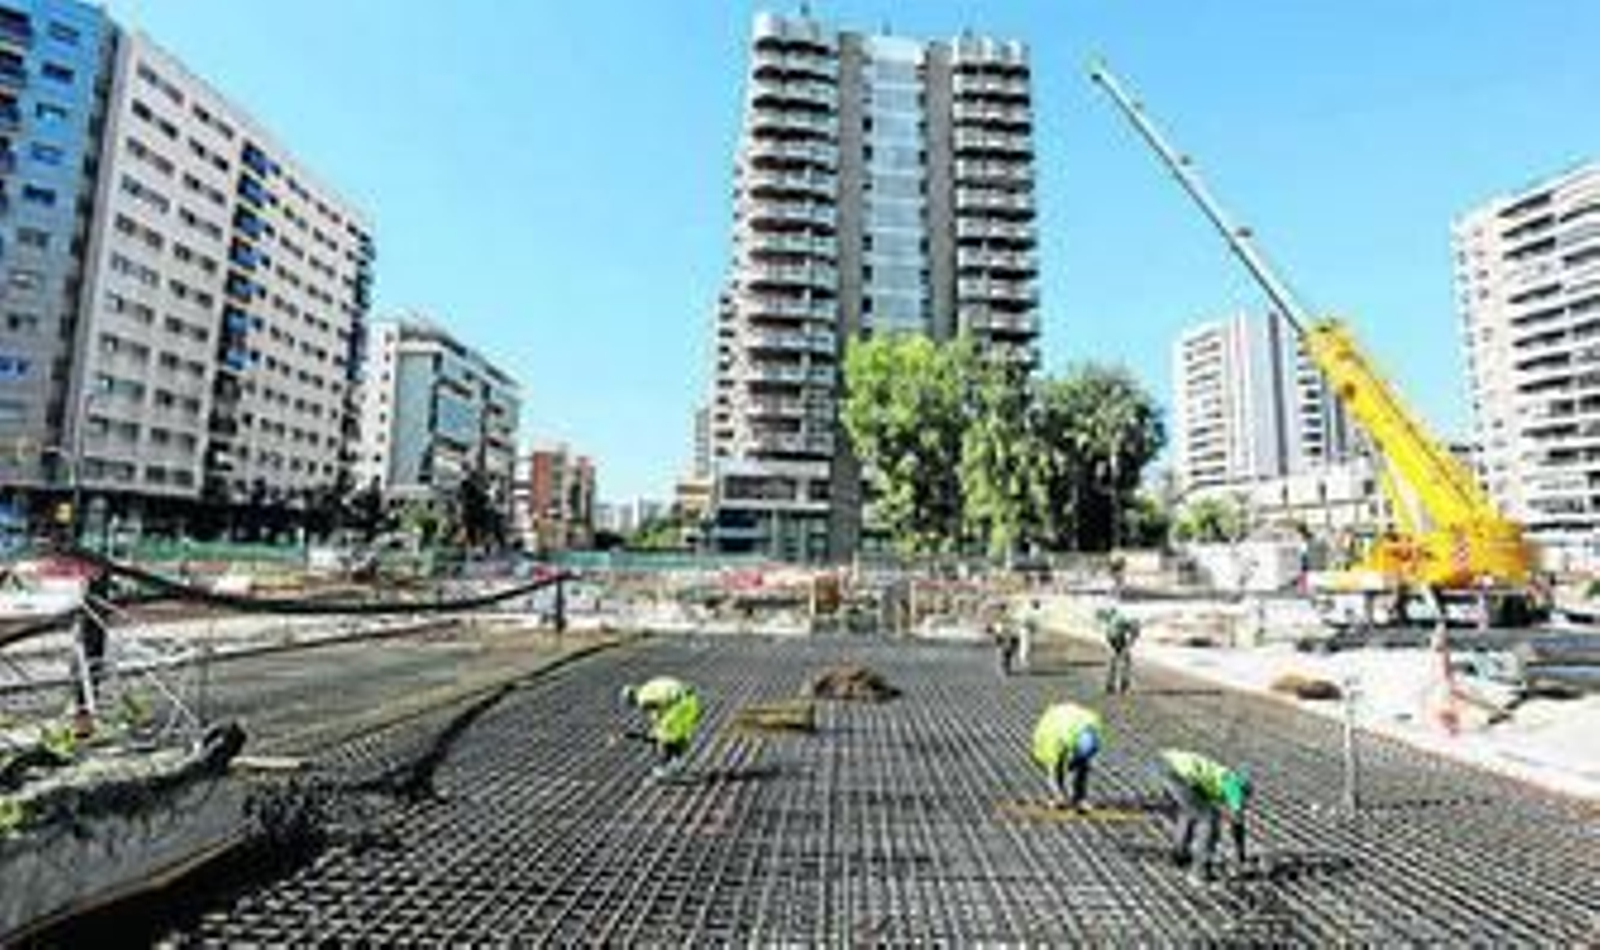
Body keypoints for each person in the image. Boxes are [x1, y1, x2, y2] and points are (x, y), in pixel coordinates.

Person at [1156, 748, 1252, 883]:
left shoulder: (1219, 777)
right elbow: (1237, 823)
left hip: (1164, 765)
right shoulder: (1234, 786)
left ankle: (1178, 857)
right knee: (1209, 818)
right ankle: (1199, 872)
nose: (1243, 802)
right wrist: (1240, 853)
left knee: (1190, 812)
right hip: (1179, 775)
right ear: (1244, 789)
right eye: (1245, 798)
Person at [620, 676, 702, 782]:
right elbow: (659, 714)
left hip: (680, 705)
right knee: (678, 737)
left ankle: (666, 769)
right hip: (692, 701)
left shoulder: (642, 699)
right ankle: (676, 764)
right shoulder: (648, 687)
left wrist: (655, 734)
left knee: (665, 737)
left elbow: (658, 716)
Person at [1031, 701, 1104, 810]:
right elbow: (1056, 770)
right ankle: (1057, 797)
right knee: (1055, 770)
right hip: (1052, 741)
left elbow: (1090, 752)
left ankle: (1080, 798)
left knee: (1083, 767)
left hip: (1071, 728)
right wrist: (1061, 796)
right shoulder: (1053, 740)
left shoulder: (1091, 728)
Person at [1099, 607, 1139, 695]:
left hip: (1112, 638)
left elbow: (1102, 617)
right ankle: (1123, 686)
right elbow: (1133, 632)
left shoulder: (1114, 618)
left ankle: (1110, 686)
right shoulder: (1124, 620)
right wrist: (1131, 642)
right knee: (1125, 661)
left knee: (1114, 661)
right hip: (1117, 638)